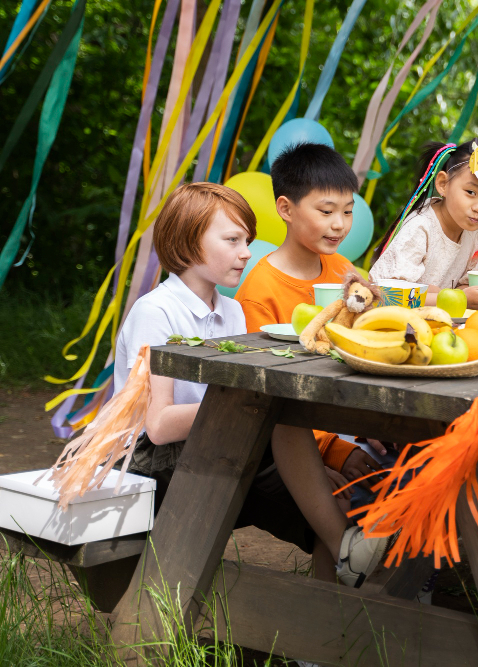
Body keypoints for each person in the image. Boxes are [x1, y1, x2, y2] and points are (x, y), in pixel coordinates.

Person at [116, 182, 390, 587]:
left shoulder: (230, 311)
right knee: (278, 415)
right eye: (232, 240)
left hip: (216, 445)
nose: (246, 252)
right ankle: (347, 547)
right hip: (151, 464)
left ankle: (329, 612)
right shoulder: (155, 311)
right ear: (188, 243)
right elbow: (157, 427)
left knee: (330, 500)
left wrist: (307, 469)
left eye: (247, 240)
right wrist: (250, 406)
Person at [234, 142, 383, 487]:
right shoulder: (259, 292)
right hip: (292, 441)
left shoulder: (343, 271)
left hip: (352, 422)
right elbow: (264, 398)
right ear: (286, 208)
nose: (340, 225)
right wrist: (331, 451)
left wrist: (374, 423)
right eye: (326, 211)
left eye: (348, 211)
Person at [369, 139, 478, 309]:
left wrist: (463, 295)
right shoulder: (421, 227)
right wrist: (458, 297)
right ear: (443, 184)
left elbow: (470, 287)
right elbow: (386, 296)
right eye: (471, 192)